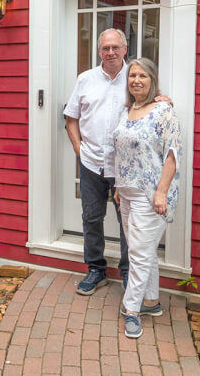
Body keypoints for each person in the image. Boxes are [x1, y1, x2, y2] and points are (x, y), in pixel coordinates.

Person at [113, 57, 182, 339]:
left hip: (150, 194)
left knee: (138, 254)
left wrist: (162, 191)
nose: (136, 80)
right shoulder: (126, 110)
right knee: (143, 249)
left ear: (152, 80)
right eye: (132, 76)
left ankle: (131, 311)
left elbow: (172, 154)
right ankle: (151, 302)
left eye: (142, 75)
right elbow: (121, 152)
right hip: (127, 192)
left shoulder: (164, 110)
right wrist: (118, 185)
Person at [63, 28, 132, 295]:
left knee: (127, 222)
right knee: (91, 217)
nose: (111, 53)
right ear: (99, 51)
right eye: (105, 48)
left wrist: (164, 98)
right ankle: (95, 269)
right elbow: (71, 118)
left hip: (125, 166)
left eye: (115, 47)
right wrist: (79, 150)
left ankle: (128, 274)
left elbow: (154, 104)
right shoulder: (86, 79)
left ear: (125, 49)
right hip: (91, 162)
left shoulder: (136, 77)